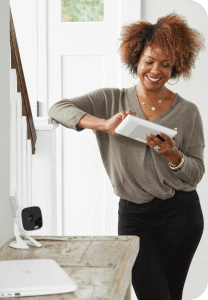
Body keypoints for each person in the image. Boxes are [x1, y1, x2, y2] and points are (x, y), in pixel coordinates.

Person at [48, 12, 205, 300]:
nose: (155, 70)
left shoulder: (188, 111)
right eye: (149, 61)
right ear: (135, 60)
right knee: (151, 294)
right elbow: (58, 108)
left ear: (176, 68)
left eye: (166, 64)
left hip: (181, 214)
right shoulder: (110, 99)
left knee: (171, 295)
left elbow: (196, 172)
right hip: (134, 215)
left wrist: (172, 154)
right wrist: (104, 125)